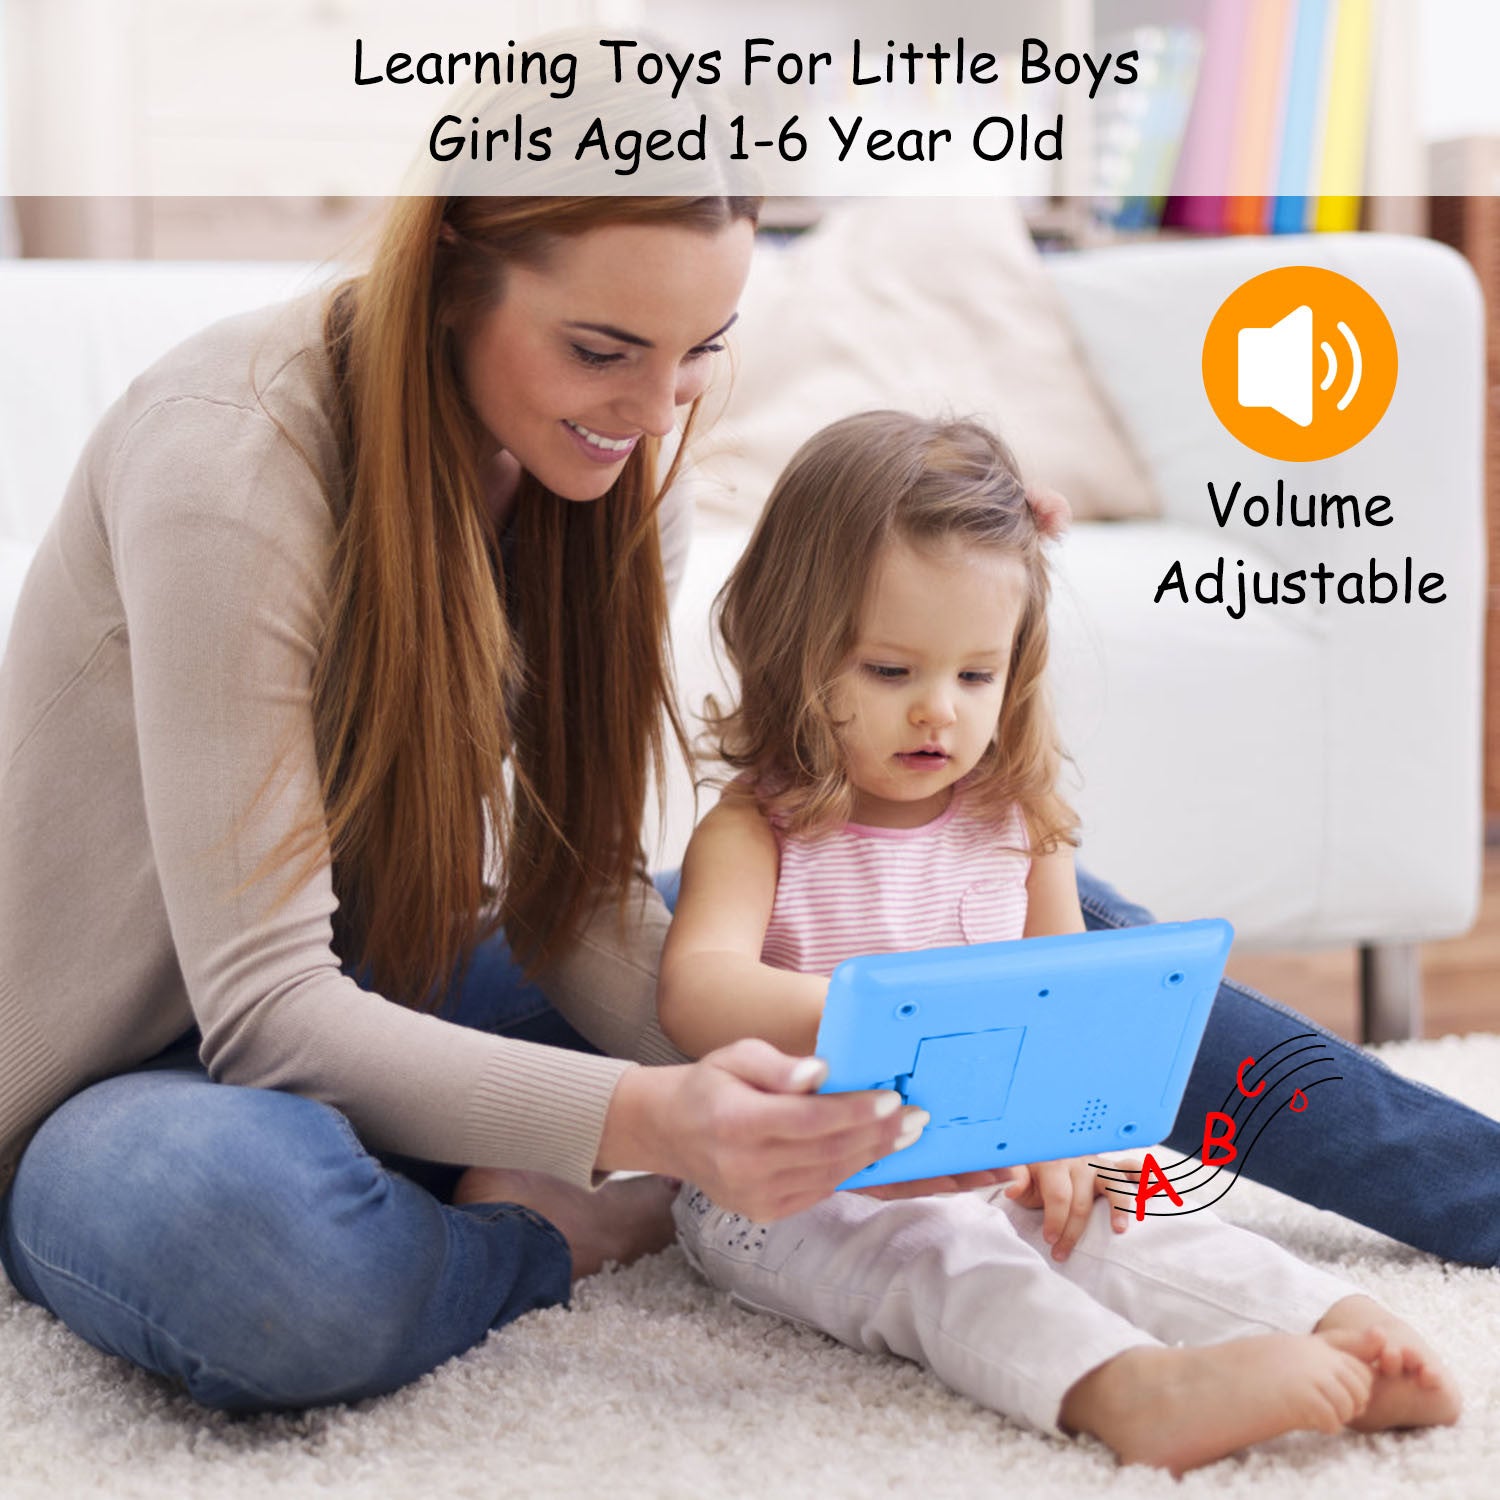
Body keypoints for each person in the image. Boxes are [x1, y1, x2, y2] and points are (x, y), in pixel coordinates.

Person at [0, 190, 1493, 1421]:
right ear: (452, 267)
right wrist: (661, 1129)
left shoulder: (610, 454)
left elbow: (570, 889)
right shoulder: (235, 461)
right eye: (603, 348)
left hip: (415, 966)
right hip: (155, 1072)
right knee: (250, 1255)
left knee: (1022, 953)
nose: (655, 410)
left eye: (700, 350)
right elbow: (264, 1007)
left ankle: (1480, 1191)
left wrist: (921, 1082)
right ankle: (559, 1224)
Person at [657, 411, 1461, 1473]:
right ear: (794, 647)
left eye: (975, 676)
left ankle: (1331, 1319)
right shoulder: (759, 826)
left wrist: (1065, 1139)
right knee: (942, 1259)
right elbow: (696, 992)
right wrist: (878, 1015)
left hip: (991, 1149)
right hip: (797, 1184)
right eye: (890, 672)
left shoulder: (1020, 826)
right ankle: (1125, 1389)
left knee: (1135, 1209)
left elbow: (1069, 1013)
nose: (937, 712)